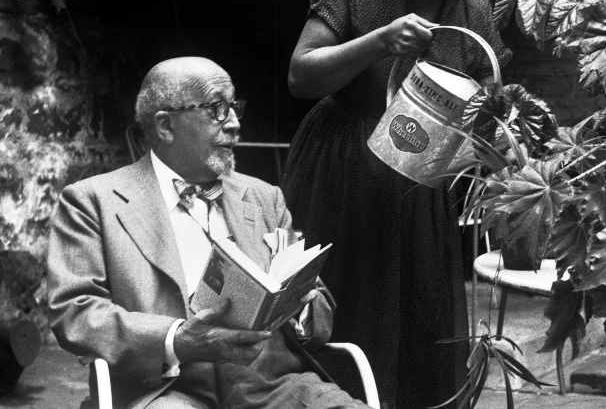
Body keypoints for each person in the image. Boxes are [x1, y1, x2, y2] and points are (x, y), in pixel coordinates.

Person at [280, 0, 512, 409]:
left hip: (418, 190)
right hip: (340, 174)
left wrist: (487, 137)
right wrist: (379, 40)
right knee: (331, 314)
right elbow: (301, 76)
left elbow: (489, 108)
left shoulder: (474, 13)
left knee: (416, 324)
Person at [47, 57, 369, 409]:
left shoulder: (264, 197)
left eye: (234, 107)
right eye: (216, 108)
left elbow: (316, 305)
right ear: (166, 126)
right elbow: (75, 313)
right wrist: (179, 340)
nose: (233, 123)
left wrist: (302, 310)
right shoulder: (92, 201)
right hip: (167, 389)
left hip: (275, 385)